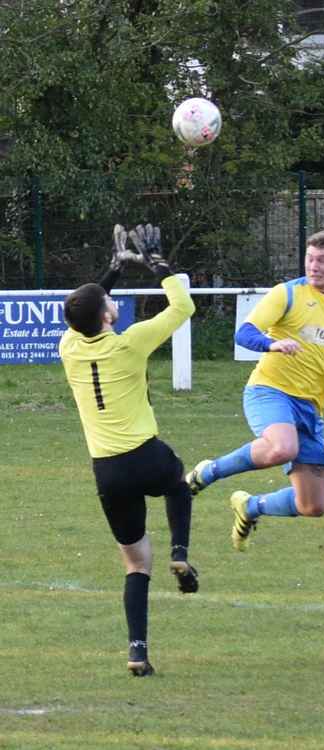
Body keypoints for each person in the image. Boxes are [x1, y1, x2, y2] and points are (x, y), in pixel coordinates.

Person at [185, 229, 324, 551]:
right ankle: (209, 471)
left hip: (310, 407)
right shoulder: (286, 294)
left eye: (323, 261)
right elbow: (244, 334)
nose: (314, 266)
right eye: (310, 258)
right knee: (282, 448)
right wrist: (271, 344)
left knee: (313, 506)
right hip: (269, 390)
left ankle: (250, 507)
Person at [59, 223, 198, 677]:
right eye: (110, 303)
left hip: (108, 473)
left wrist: (113, 269)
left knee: (136, 562)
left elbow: (87, 305)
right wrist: (160, 265)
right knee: (178, 483)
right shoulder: (130, 344)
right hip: (145, 455)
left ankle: (137, 650)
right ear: (106, 317)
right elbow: (183, 306)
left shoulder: (68, 347)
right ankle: (180, 550)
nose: (113, 303)